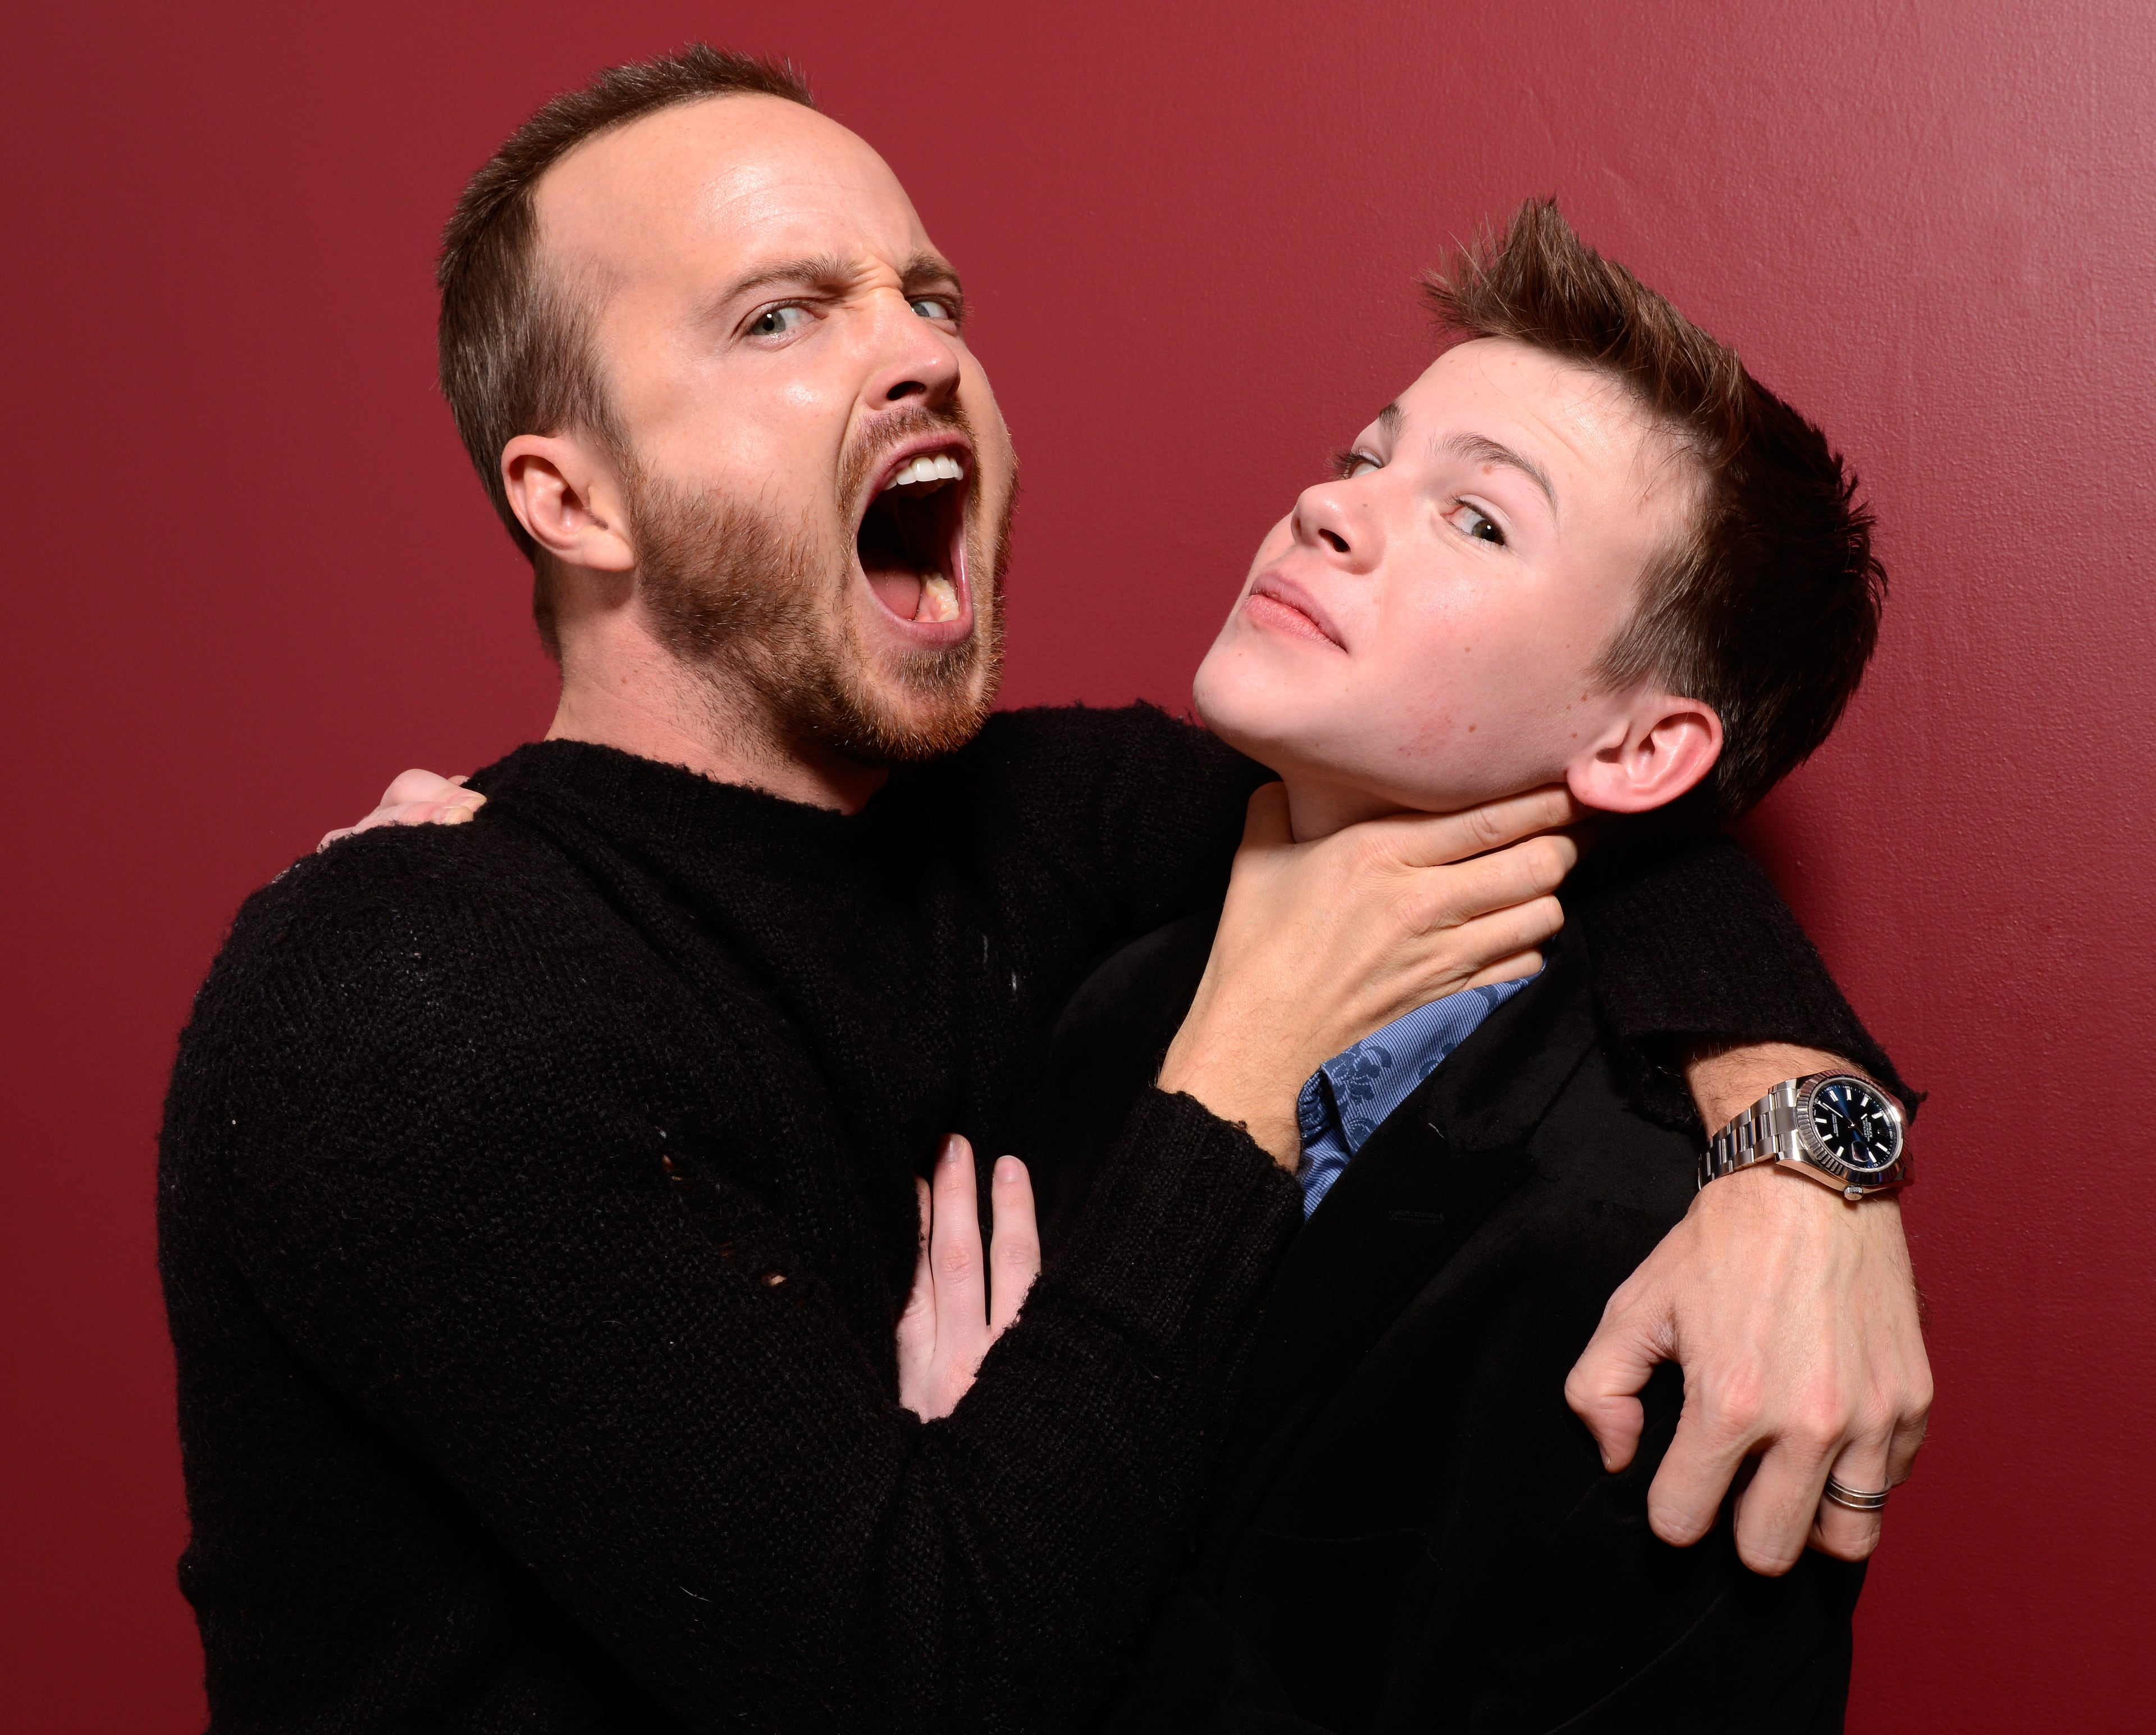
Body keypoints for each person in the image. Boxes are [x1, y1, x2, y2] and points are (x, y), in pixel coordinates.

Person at [158, 47, 1926, 1734]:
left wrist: (1807, 1151)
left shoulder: (1038, 838)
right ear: (577, 496)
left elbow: (1534, 812)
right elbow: (911, 1680)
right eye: (780, 317)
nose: (920, 355)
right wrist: (1249, 1045)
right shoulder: (414, 986)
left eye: (929, 298)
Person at [1026, 202, 1913, 1733]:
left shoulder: (1679, 1296)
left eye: (1480, 518)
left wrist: (1017, 1522)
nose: (1329, 505)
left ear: (1639, 747)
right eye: (1365, 455)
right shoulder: (1102, 983)